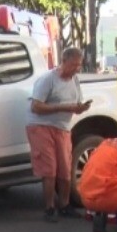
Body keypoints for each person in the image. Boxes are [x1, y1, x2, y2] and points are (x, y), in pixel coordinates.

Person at [27, 47, 91, 222]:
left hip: (62, 127)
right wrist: (63, 107)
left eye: (79, 65)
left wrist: (79, 108)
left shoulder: (75, 80)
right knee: (50, 169)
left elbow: (76, 102)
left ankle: (64, 205)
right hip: (41, 126)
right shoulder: (48, 79)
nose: (77, 69)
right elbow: (36, 106)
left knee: (65, 168)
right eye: (73, 65)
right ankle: (49, 207)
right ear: (63, 62)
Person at [77, 136, 117, 232]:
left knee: (111, 176)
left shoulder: (107, 142)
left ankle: (100, 213)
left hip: (85, 196)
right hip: (108, 198)